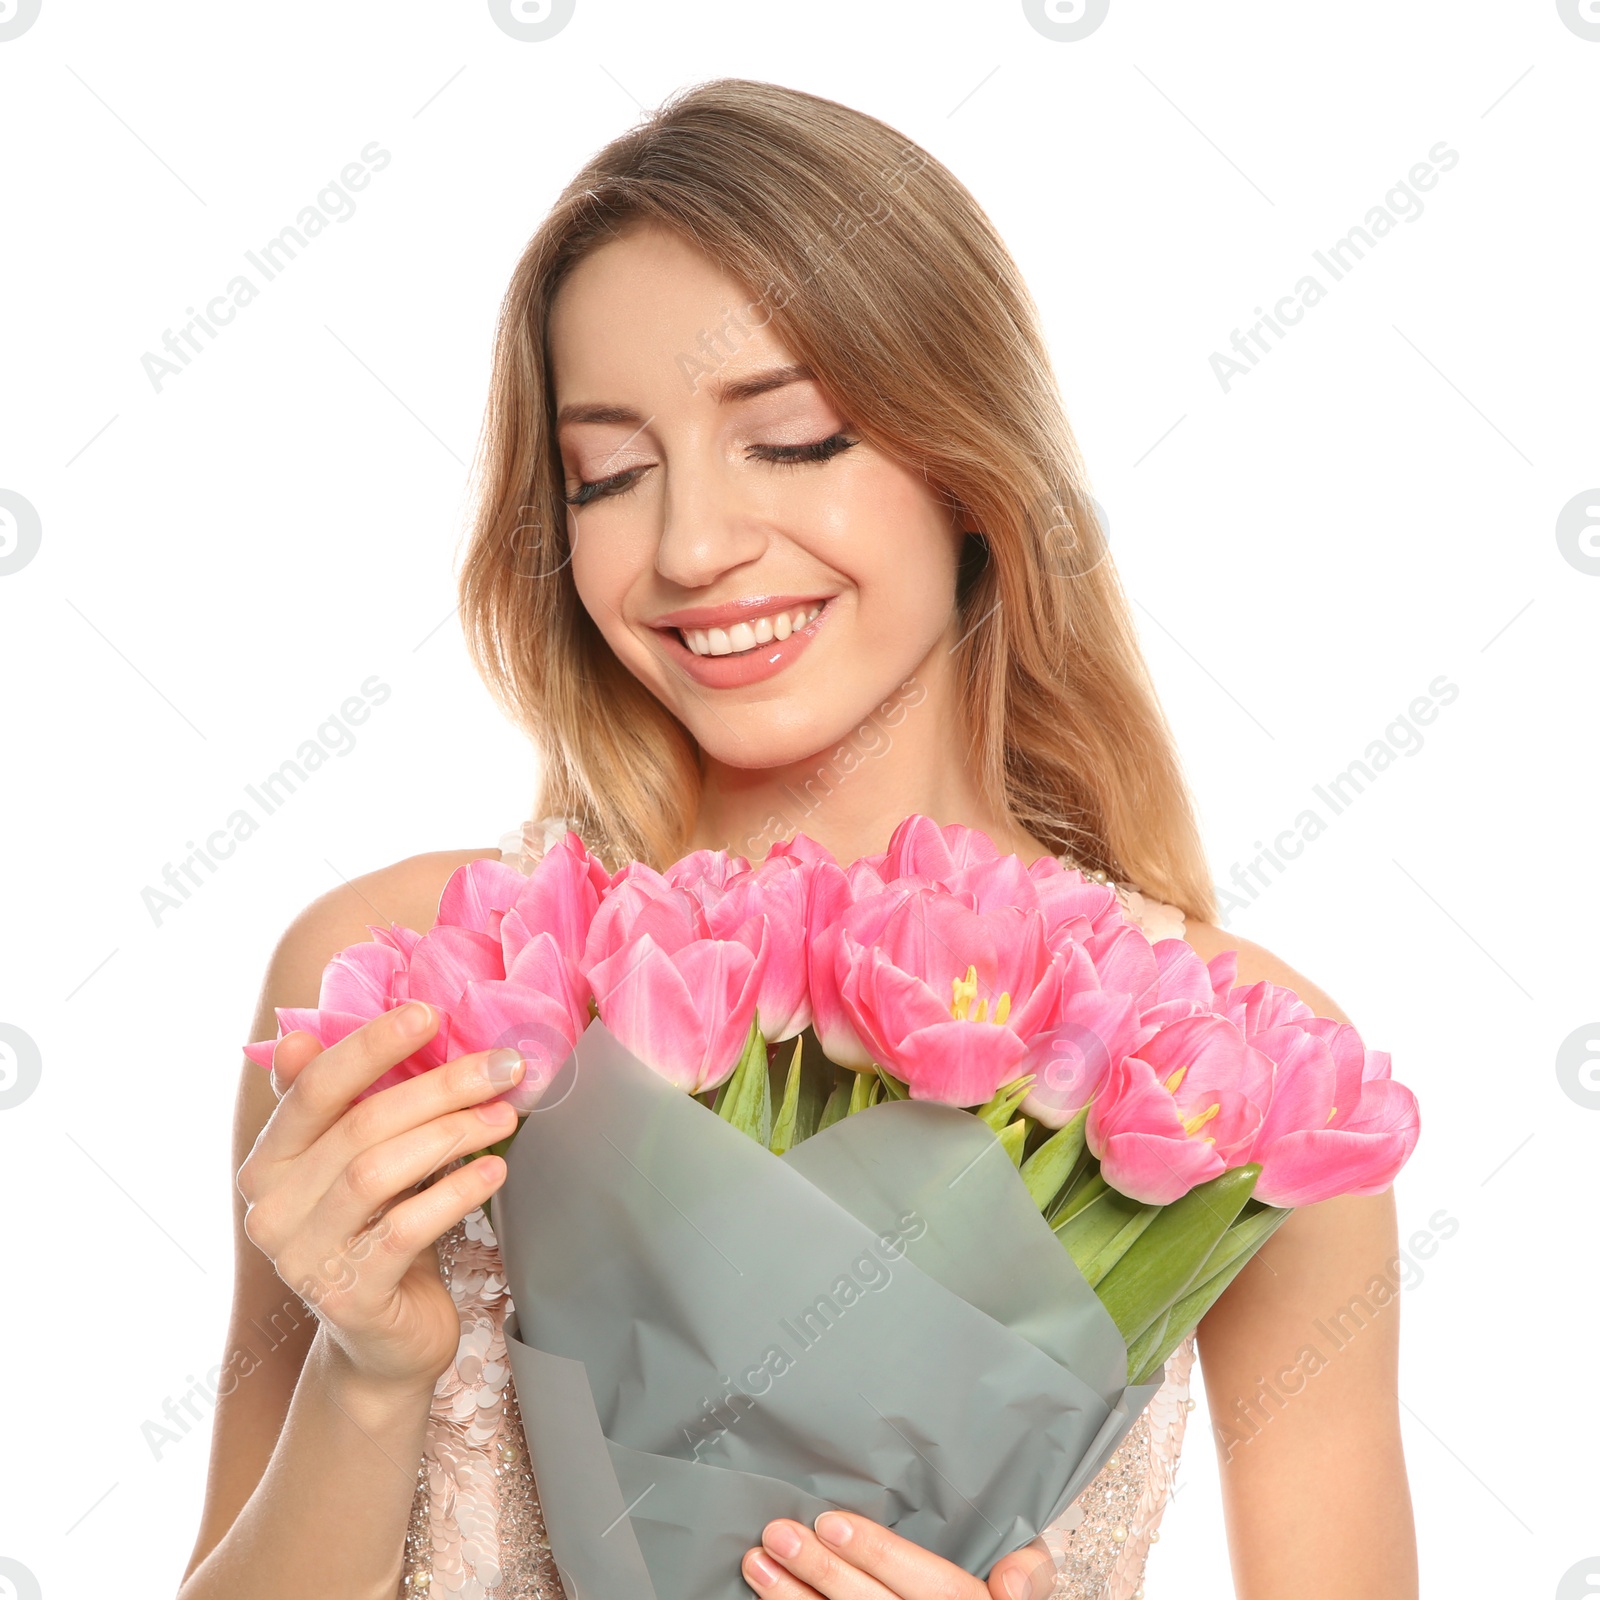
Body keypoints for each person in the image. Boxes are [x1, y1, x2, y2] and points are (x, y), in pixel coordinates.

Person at [177, 79, 1418, 1600]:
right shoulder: (417, 982)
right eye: (610, 474)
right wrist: (367, 1377)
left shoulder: (1237, 1073)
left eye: (794, 437)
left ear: (973, 465)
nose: (692, 546)